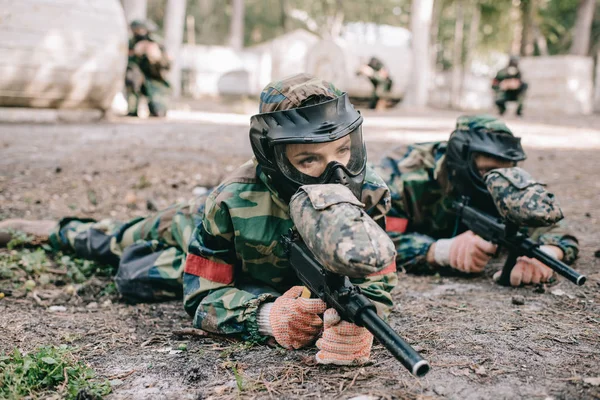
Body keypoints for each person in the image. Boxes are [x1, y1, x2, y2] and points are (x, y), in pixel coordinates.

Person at [0, 74, 397, 366]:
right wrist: (266, 317)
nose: (335, 174)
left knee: (168, 273)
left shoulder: (370, 194)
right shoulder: (230, 201)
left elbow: (376, 283)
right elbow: (202, 296)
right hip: (192, 227)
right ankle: (45, 230)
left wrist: (356, 323)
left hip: (253, 273)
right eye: (308, 159)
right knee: (116, 243)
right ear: (275, 159)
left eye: (343, 151)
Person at [375, 115, 579, 287]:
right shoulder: (401, 173)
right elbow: (370, 240)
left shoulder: (505, 182)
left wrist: (547, 254)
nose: (496, 181)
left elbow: (554, 227)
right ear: (460, 162)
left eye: (505, 170)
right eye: (486, 171)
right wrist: (438, 251)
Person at [126, 20, 171, 117]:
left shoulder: (156, 43)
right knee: (131, 78)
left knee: (158, 112)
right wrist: (135, 53)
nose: (139, 32)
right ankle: (132, 108)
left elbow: (167, 65)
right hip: (137, 78)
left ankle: (156, 107)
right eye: (136, 30)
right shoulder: (130, 43)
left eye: (141, 30)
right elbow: (125, 60)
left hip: (154, 79)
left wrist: (156, 58)